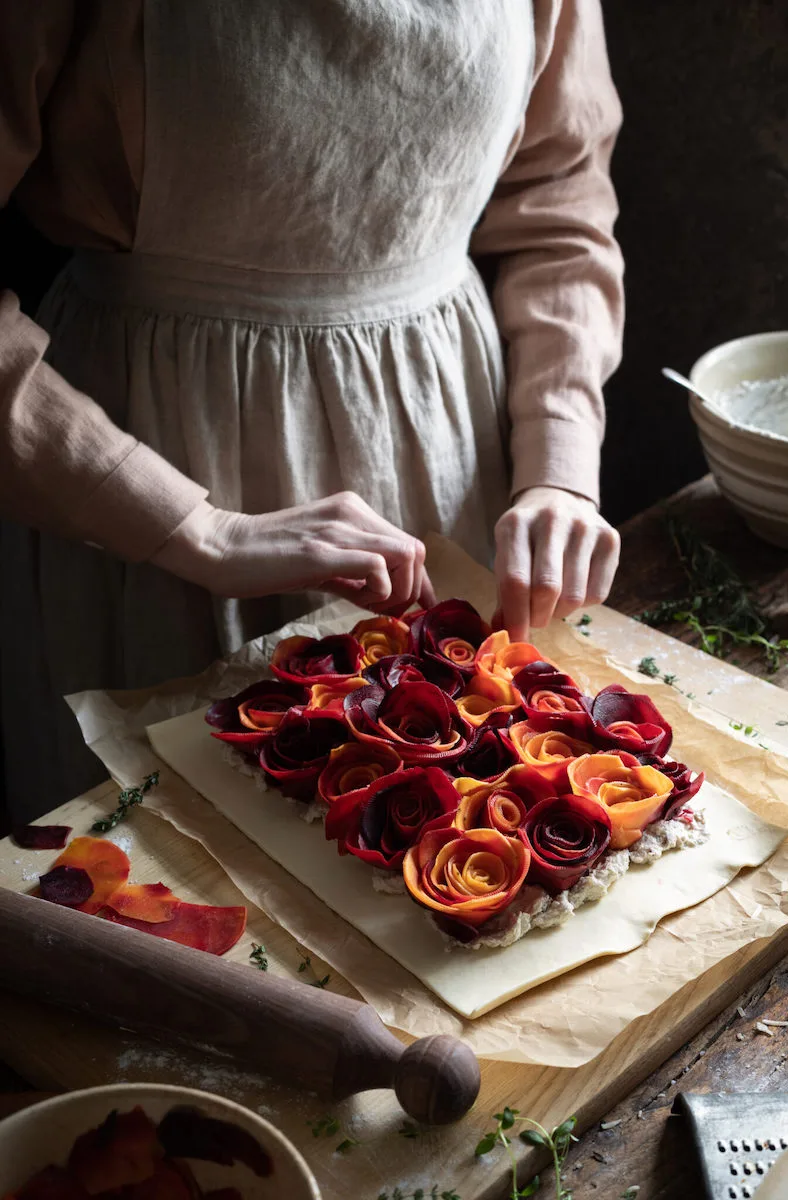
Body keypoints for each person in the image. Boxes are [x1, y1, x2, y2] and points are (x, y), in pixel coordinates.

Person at [0, 0, 624, 821]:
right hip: (138, 470)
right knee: (169, 878)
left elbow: (561, 196)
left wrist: (558, 464)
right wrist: (193, 527)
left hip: (453, 451)